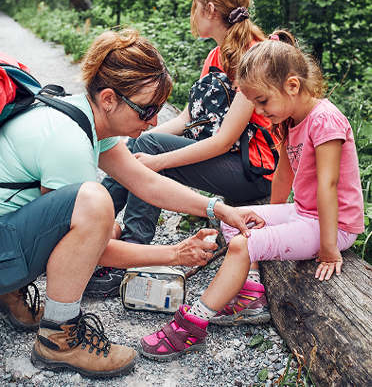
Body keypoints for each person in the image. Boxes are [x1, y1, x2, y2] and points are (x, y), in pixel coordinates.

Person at [0, 29, 264, 378]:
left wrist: (216, 208)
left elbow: (146, 182)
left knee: (95, 211)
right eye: (147, 109)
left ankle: (5, 289)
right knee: (95, 202)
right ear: (109, 99)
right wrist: (174, 255)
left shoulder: (78, 114)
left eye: (159, 110)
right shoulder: (68, 141)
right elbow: (88, 252)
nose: (153, 122)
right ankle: (59, 337)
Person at [139, 29, 365, 361]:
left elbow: (329, 186)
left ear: (292, 85)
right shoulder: (292, 118)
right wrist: (269, 220)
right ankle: (251, 292)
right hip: (305, 213)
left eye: (262, 101)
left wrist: (330, 250)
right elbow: (284, 172)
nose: (259, 109)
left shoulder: (325, 121)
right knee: (238, 219)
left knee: (244, 243)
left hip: (337, 227)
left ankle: (194, 323)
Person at [87, 0, 277, 328]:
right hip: (227, 157)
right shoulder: (216, 55)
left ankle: (127, 249)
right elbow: (191, 119)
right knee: (142, 142)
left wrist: (155, 158)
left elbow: (222, 140)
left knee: (149, 150)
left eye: (194, 6)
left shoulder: (255, 56)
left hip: (251, 170)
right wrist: (142, 132)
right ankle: (92, 232)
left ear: (208, 9)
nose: (192, 13)